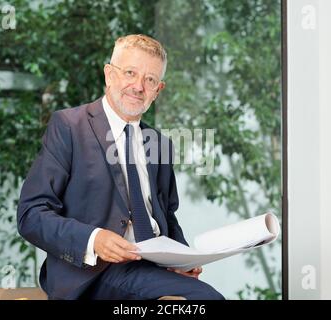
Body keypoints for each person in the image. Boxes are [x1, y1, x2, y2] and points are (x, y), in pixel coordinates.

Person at [17, 34, 225, 300]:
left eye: (149, 80)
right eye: (130, 73)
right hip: (91, 274)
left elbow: (167, 218)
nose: (138, 86)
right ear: (109, 75)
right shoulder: (69, 126)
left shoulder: (159, 143)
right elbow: (31, 215)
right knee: (206, 299)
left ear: (158, 90)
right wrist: (94, 239)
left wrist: (180, 261)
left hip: (150, 270)